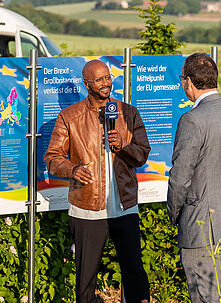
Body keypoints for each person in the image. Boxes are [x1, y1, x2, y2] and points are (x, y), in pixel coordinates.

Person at [45, 59, 152, 303]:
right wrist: (72, 170)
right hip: (87, 209)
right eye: (99, 79)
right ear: (86, 84)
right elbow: (52, 158)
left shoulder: (128, 112)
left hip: (125, 206)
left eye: (108, 78)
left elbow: (142, 153)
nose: (106, 84)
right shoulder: (69, 117)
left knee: (135, 273)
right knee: (86, 281)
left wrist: (123, 145)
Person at [167, 53, 221, 303]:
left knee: (205, 297)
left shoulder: (192, 119)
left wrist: (174, 212)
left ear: (188, 82)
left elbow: (180, 177)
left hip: (201, 224)